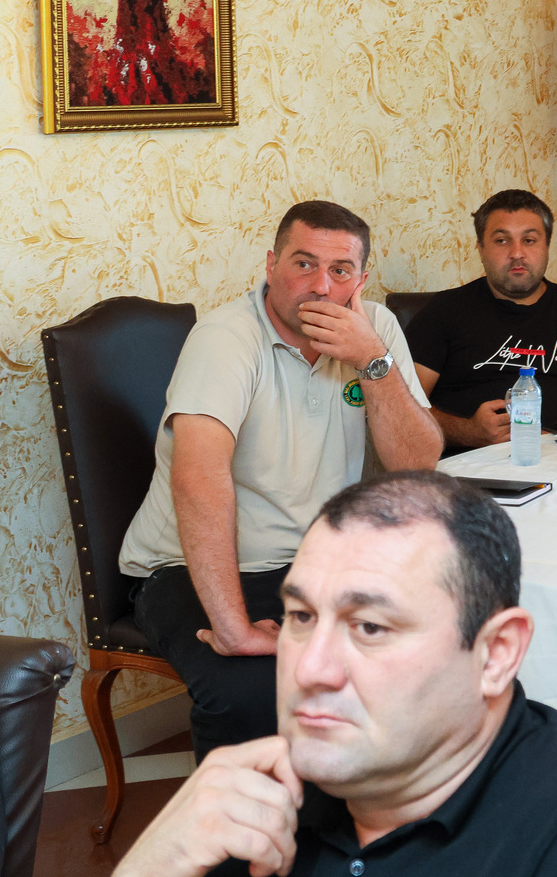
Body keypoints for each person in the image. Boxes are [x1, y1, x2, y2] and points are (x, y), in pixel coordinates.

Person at [112, 470, 557, 877]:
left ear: (496, 654)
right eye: (301, 616)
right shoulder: (253, 803)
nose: (311, 668)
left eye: (369, 627)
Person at [119, 201, 443, 759]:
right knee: (248, 692)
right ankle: (235, 819)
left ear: (361, 281)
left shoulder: (376, 330)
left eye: (340, 271)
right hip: (192, 564)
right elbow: (198, 480)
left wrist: (372, 359)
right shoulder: (226, 337)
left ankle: (353, 807)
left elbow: (418, 464)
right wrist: (235, 628)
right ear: (271, 265)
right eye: (303, 264)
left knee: (428, 651)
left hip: (313, 560)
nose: (320, 286)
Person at [405, 190, 557, 453]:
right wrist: (468, 432)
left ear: (547, 246)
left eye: (529, 240)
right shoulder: (443, 310)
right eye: (501, 241)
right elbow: (405, 406)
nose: (517, 253)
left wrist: (553, 441)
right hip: (472, 465)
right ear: (480, 248)